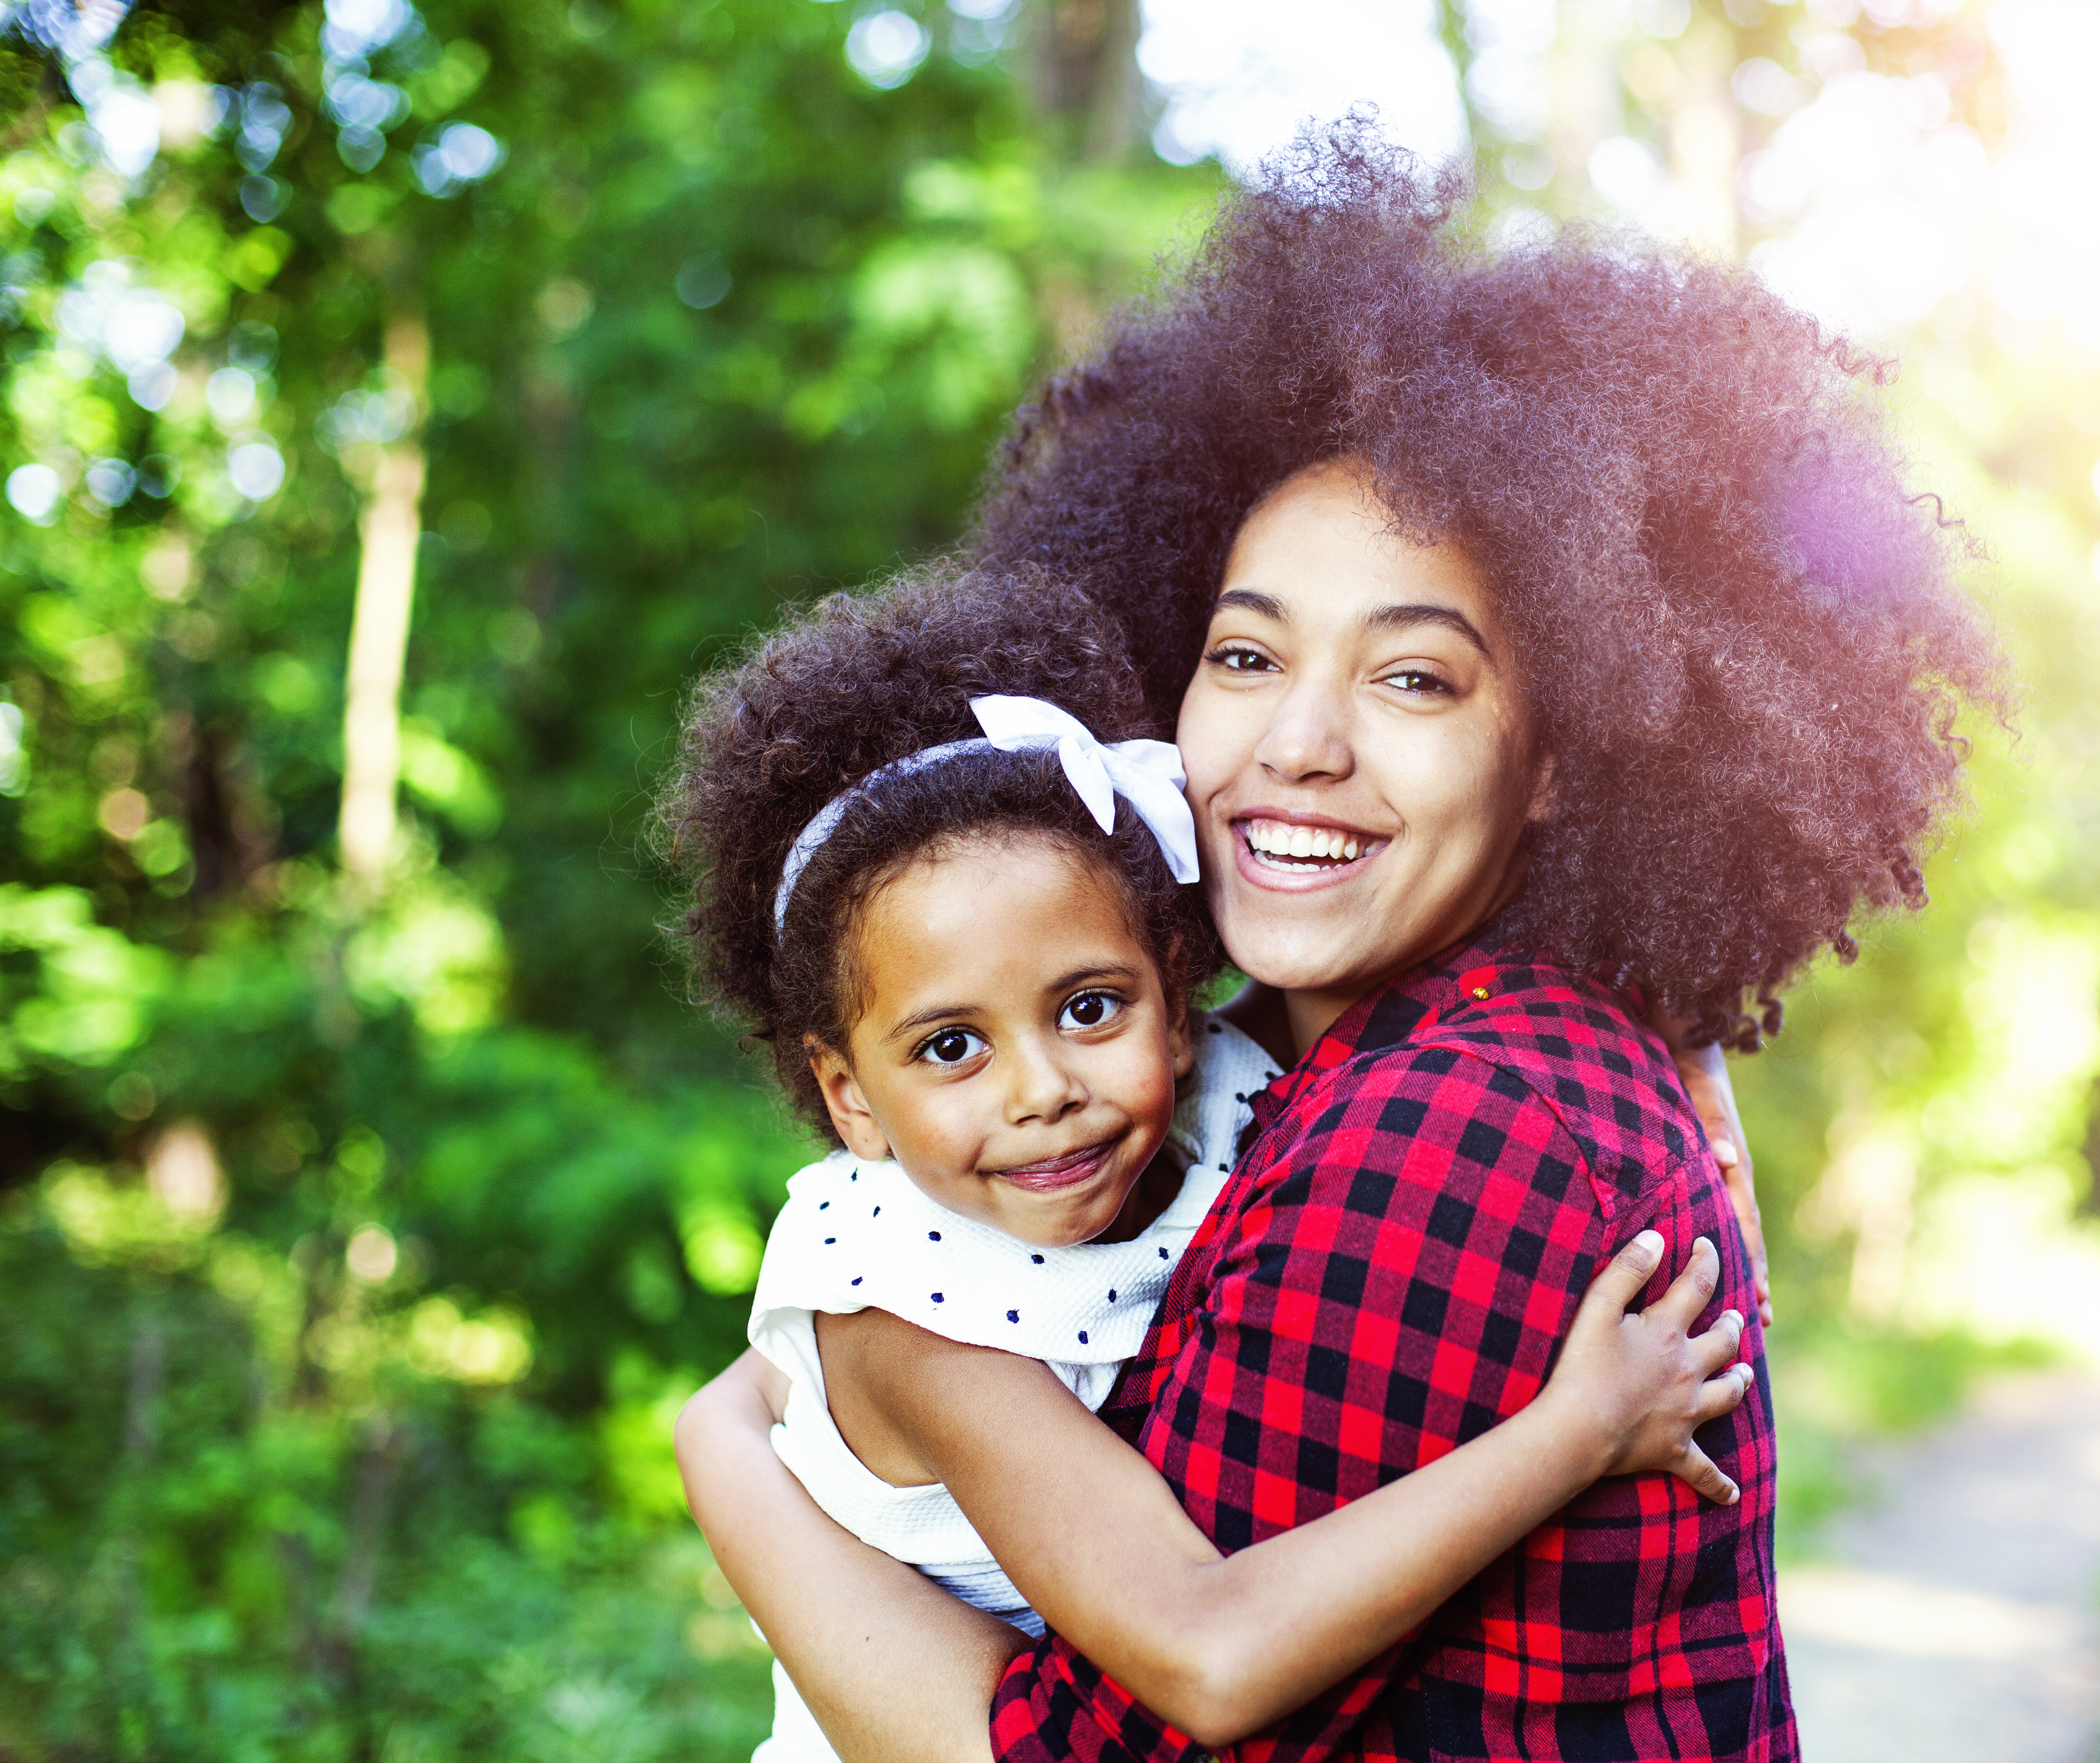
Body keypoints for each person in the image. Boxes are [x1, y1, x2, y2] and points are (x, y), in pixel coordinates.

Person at [677, 118, 1997, 1763]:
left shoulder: (1442, 1128)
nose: (1296, 744)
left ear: (1572, 749)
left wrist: (726, 1454)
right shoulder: (1293, 1066)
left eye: (1414, 676)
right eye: (1242, 656)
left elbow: (1147, 1713)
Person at [659, 562, 1759, 1763]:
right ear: (846, 1100)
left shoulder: (1209, 1090)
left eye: (1088, 1008)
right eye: (952, 1045)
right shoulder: (919, 1318)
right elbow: (1207, 1653)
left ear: (1180, 1009)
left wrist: (1690, 1019)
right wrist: (1582, 1427)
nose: (1044, 1091)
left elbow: (1395, 952)